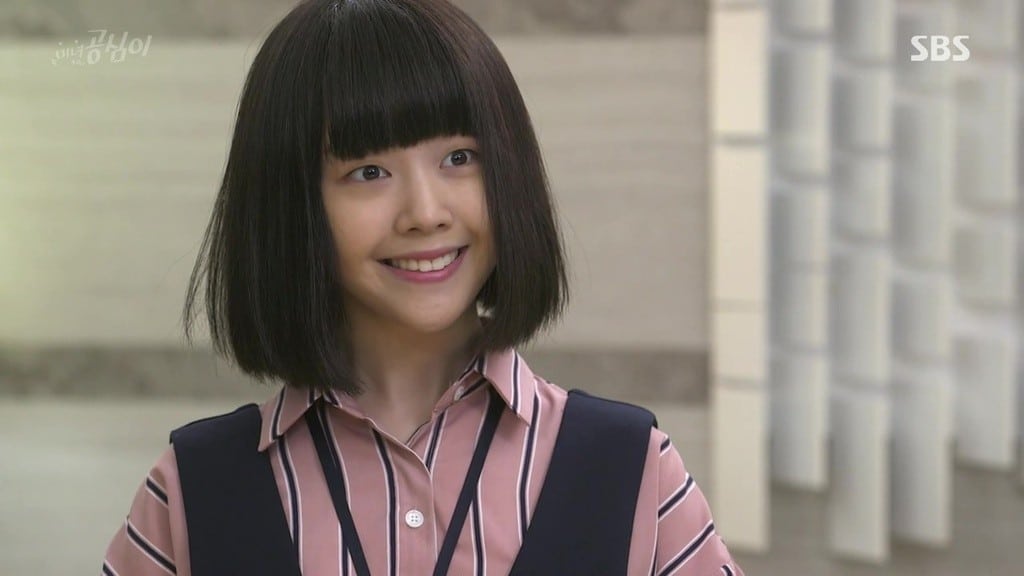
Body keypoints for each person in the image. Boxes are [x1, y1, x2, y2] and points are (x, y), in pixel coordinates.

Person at [102, 0, 745, 574]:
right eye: (368, 171)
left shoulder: (633, 471)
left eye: (459, 158)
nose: (426, 212)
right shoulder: (191, 492)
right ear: (289, 207)